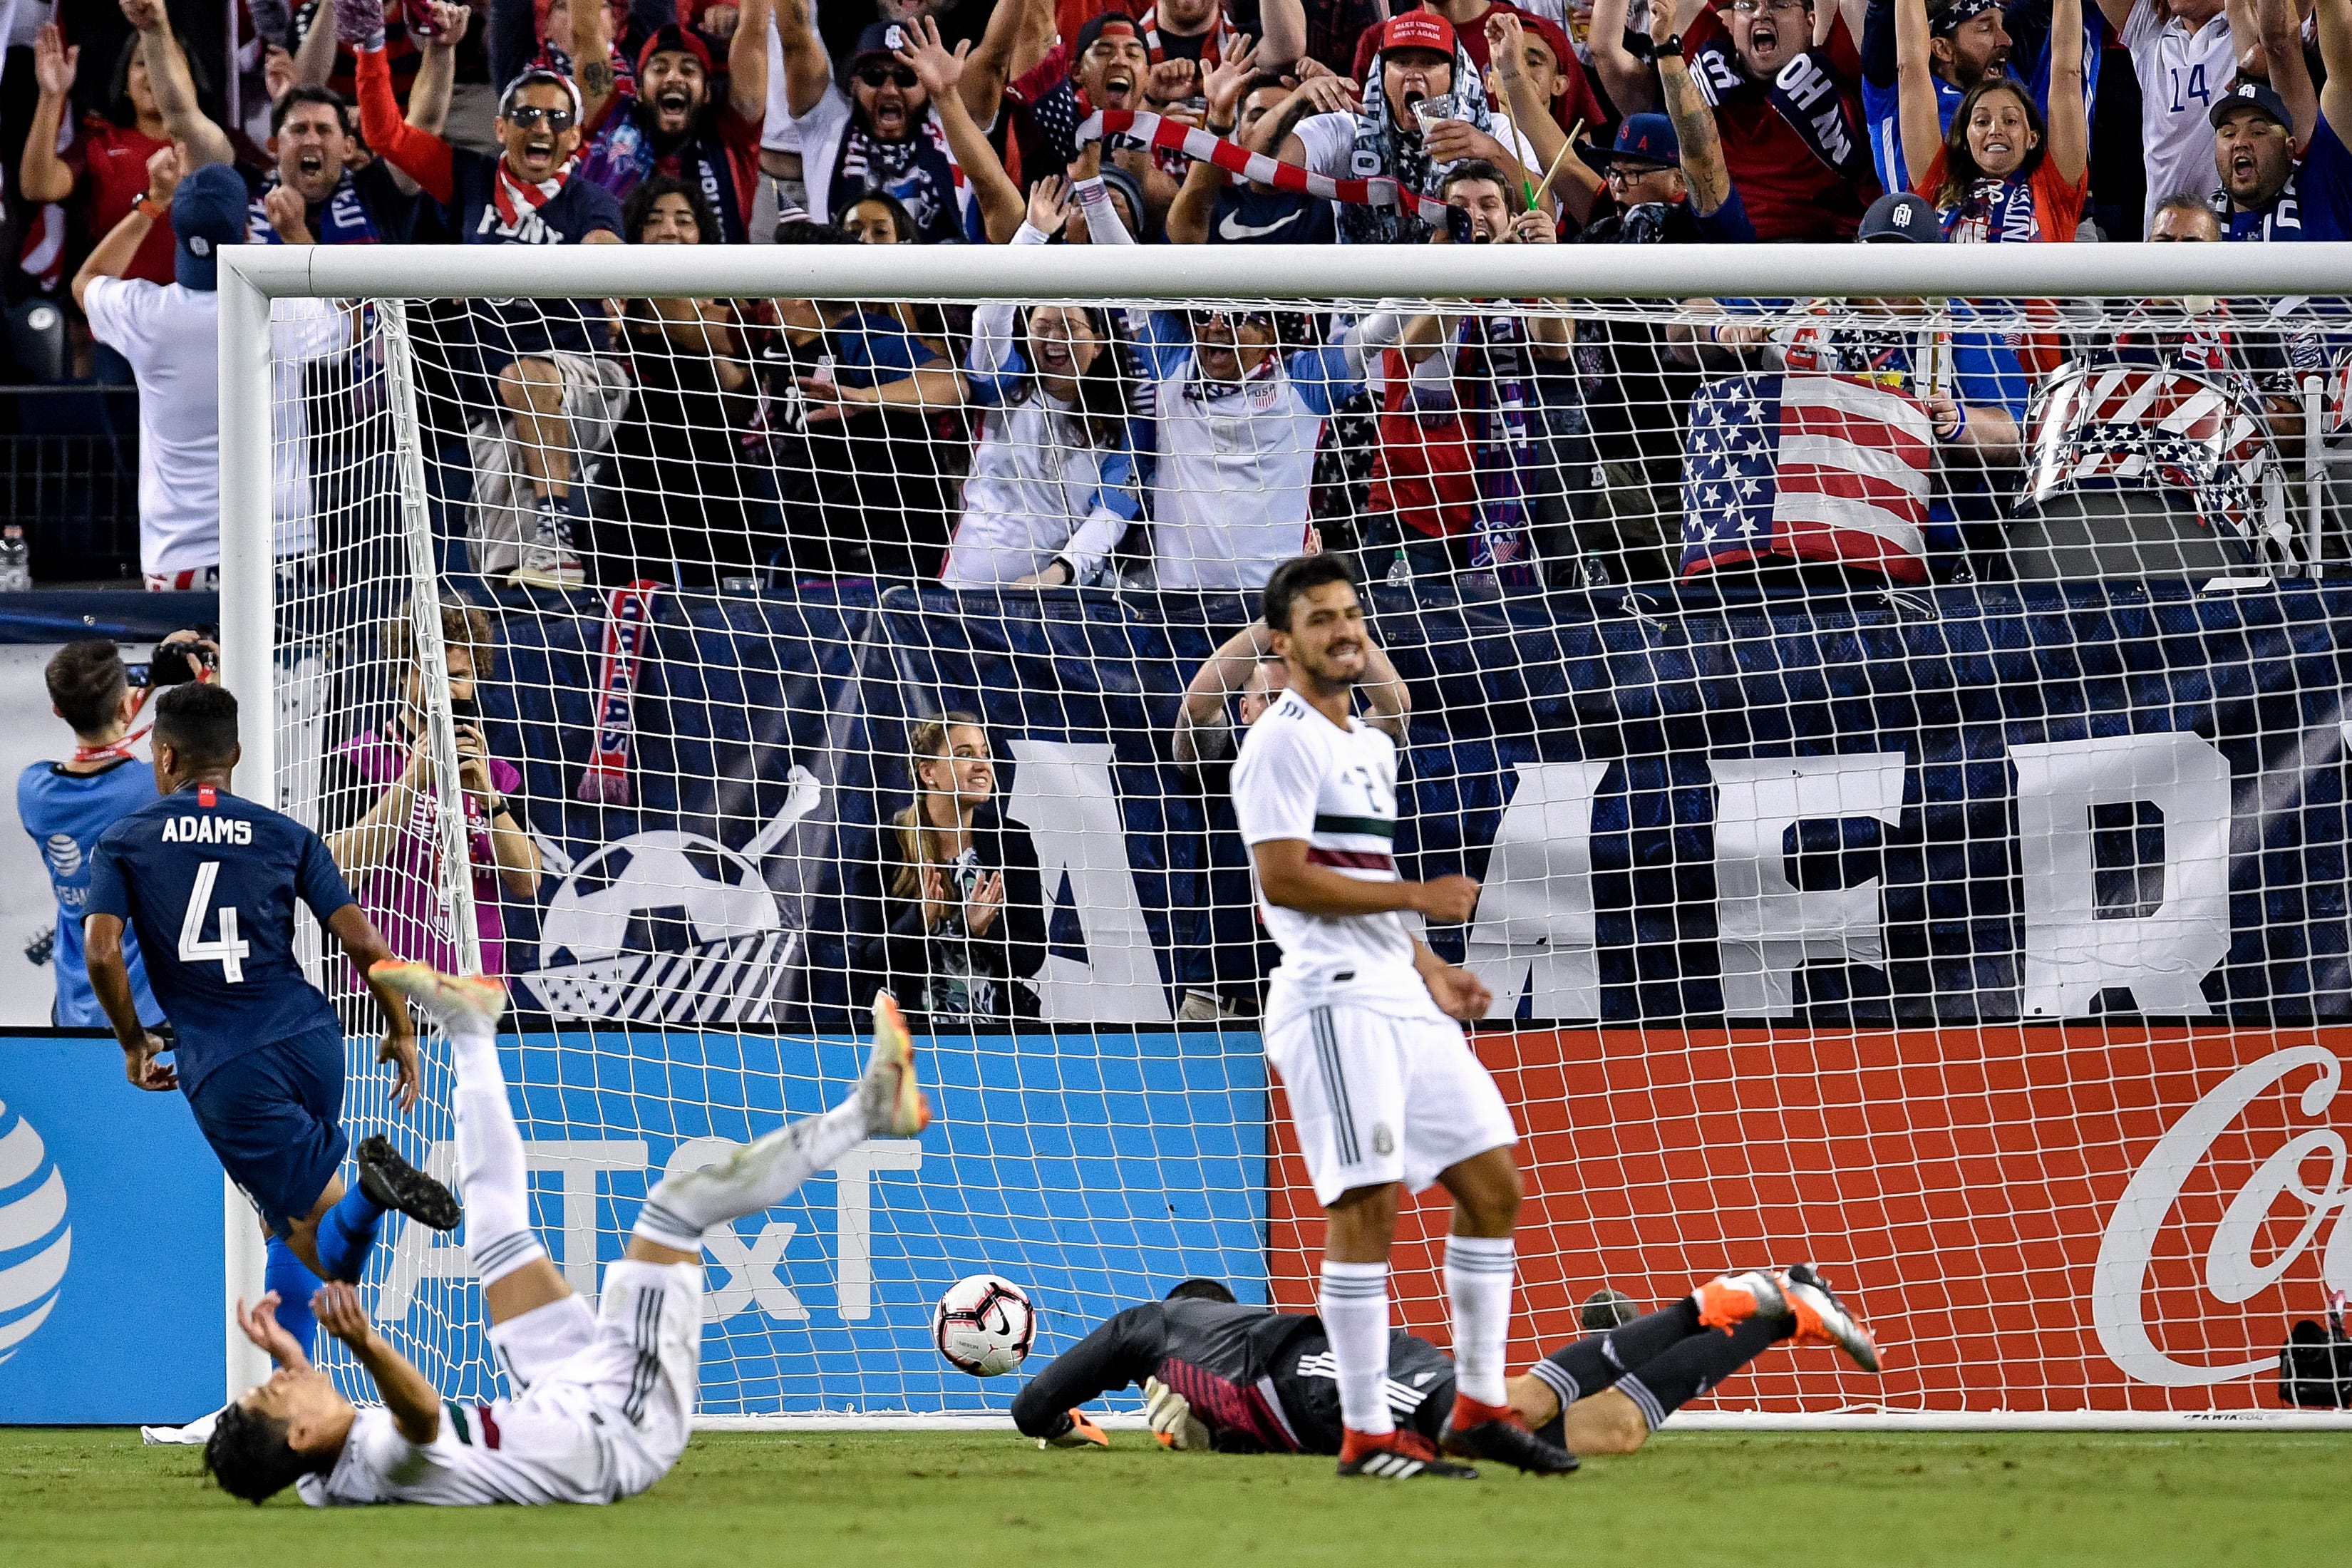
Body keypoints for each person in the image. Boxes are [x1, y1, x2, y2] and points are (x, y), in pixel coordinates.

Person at [202, 964, 932, 1505]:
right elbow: (420, 1415)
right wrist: (361, 1342)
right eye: (275, 1395)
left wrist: (296, 1356)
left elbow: (303, 1451)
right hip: (618, 1424)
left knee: (494, 1229)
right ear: (298, 1437)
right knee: (675, 1209)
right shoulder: (383, 1455)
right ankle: (870, 1112)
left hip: (554, 1394)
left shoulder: (320, 1483)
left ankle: (471, 1027)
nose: (282, 1380)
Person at [1228, 553, 1568, 1480]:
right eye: (1321, 620)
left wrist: (1428, 967)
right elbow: (1285, 876)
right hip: (1331, 999)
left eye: (1350, 615)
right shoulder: (1280, 741)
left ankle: (1481, 1405)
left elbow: (1366, 878)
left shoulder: (1369, 747)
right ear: (1284, 641)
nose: (1342, 631)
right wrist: (1422, 898)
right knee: (1366, 1205)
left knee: (1494, 1186)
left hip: (1395, 991)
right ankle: (1369, 1430)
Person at [82, 681, 458, 1382]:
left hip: (228, 1064)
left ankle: (373, 1193)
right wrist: (402, 1028)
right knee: (280, 1221)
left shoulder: (125, 841)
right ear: (239, 756)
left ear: (162, 757)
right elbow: (365, 940)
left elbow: (102, 952)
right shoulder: (288, 835)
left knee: (322, 1243)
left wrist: (134, 1041)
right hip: (313, 1040)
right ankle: (290, 1383)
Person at [345, 0, 629, 590]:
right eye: (526, 114)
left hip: (584, 379)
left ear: (576, 135)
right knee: (507, 572)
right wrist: (370, 47)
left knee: (527, 379)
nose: (541, 127)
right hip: (501, 408)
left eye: (556, 117)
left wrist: (602, 269)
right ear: (501, 128)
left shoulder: (589, 200)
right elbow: (385, 135)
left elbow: (603, 246)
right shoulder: (470, 179)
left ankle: (559, 523)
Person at [1013, 1267, 1881, 1456]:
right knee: (1611, 1432)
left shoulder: (1158, 1326)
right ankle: (1781, 1314)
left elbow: (1032, 1401)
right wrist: (1121, 1433)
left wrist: (1056, 1421)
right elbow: (1235, 1434)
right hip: (1332, 1403)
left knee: (1508, 1415)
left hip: (1332, 1365)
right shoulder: (1215, 1409)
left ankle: (1712, 1302)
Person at [1673, 189, 2028, 583]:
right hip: (1778, 532)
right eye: (1879, 254)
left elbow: (2016, 433)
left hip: (1914, 552)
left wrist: (1961, 422)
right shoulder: (1802, 290)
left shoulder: (1962, 326)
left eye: (1909, 259)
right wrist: (1719, 328)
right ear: (1856, 250)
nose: (1890, 272)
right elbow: (1682, 325)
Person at [73, 158, 351, 593]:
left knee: (191, 665)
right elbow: (346, 322)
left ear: (179, 237)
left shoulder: (147, 314)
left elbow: (86, 281)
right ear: (245, 230)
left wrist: (152, 203)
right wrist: (294, 232)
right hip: (279, 554)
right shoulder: (281, 311)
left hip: (178, 561)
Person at [1359, 163, 1573, 589]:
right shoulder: (1414, 274)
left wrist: (1550, 265)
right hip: (1412, 515)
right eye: (1459, 206)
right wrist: (1480, 272)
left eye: (1489, 205)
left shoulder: (1524, 283)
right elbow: (1417, 348)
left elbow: (1559, 344)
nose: (1475, 215)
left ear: (1511, 219)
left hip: (1504, 514)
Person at [319, 602, 542, 981]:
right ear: (401, 677)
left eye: (458, 675)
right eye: (434, 673)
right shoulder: (359, 759)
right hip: (382, 988)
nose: (448, 688)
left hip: (475, 983)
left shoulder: (498, 774)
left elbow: (527, 882)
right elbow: (337, 872)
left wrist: (489, 799)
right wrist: (410, 785)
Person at [942, 179, 1144, 589]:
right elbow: (990, 318)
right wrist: (1032, 234)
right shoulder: (1003, 383)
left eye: (1069, 327)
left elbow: (1112, 513)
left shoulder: (1123, 423)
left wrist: (1059, 572)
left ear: (1100, 342)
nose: (1054, 340)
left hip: (1060, 599)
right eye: (1043, 326)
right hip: (970, 589)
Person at [763, 218, 968, 582]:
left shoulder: (866, 339)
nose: (766, 297)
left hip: (887, 557)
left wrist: (867, 397)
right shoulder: (779, 346)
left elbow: (952, 386)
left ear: (797, 290)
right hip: (812, 551)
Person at [600, 176, 772, 589]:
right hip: (629, 480)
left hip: (714, 478)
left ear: (702, 235)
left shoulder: (726, 304)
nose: (670, 231)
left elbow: (738, 402)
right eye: (654, 220)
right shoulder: (612, 298)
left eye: (684, 221)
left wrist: (712, 320)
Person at [1589, 0, 1879, 241]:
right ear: (1732, 21)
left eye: (1779, 5)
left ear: (1810, 21)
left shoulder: (1841, 66)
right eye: (1746, 5)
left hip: (1830, 258)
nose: (1761, 14)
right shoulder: (1709, 60)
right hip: (1725, 251)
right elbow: (1610, 42)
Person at [1269, 11, 1539, 244]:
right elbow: (1263, 177)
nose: (1413, 73)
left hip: (1463, 299)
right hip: (1365, 301)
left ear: (1455, 74)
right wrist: (1297, 99)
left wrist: (1492, 153)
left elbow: (1545, 211)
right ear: (1381, 73)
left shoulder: (1494, 129)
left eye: (1429, 62)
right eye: (1401, 62)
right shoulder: (1348, 128)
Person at [772, 6, 1026, 242]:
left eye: (906, 77)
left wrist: (946, 95)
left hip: (936, 286)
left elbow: (995, 57)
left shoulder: (952, 124)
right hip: (840, 285)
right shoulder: (827, 122)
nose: (890, 90)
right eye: (874, 77)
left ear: (926, 86)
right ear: (853, 84)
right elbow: (795, 37)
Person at [858, 712, 1046, 1028]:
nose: (982, 765)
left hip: (994, 1035)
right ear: (928, 772)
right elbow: (867, 959)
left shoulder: (1011, 840)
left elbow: (1032, 958)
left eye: (985, 754)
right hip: (906, 1034)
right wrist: (919, 920)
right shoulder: (885, 843)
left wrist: (985, 932)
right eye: (965, 755)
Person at [19, 639, 163, 1030]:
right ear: (123, 706)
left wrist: (135, 693)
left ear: (58, 710)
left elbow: (99, 750)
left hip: (73, 1005)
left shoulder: (33, 790)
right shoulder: (151, 787)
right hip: (147, 1008)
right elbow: (206, 745)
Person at [569, 0, 773, 242]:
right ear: (641, 90)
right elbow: (586, 31)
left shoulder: (732, 136)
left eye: (688, 70)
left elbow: (754, 31)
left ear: (707, 91)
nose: (674, 77)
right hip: (615, 278)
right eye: (660, 69)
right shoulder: (609, 122)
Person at [19, 19, 187, 295]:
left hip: (197, 315)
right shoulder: (100, 142)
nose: (156, 72)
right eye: (143, 62)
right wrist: (52, 96)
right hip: (120, 317)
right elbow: (37, 186)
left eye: (167, 61)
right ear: (125, 83)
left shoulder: (218, 146)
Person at [1898, 0, 2086, 241]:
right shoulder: (1939, 182)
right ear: (1965, 137)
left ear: (2032, 137)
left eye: (2011, 121)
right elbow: (1910, 69)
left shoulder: (2053, 190)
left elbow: (2068, 74)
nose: (1996, 130)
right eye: (1982, 122)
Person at [2098, 0, 2231, 232]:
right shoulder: (2152, 28)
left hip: (2235, 238)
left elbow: (2286, 28)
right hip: (2163, 240)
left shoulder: (2251, 27)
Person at [2217, 18, 2352, 245]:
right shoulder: (2200, 219)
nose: (2240, 142)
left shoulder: (2323, 182)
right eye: (2228, 133)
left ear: (2289, 146)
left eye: (2258, 132)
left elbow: (2279, 42)